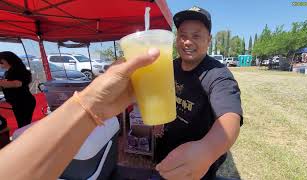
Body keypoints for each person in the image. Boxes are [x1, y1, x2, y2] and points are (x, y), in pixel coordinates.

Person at [0, 48, 160, 179]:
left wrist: (91, 105)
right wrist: (91, 104)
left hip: (23, 102)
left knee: (23, 125)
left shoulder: (16, 71)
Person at [155, 7, 243, 180]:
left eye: (196, 36)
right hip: (166, 151)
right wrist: (159, 119)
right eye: (182, 35)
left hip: (196, 165)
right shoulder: (170, 66)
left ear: (208, 40)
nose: (187, 42)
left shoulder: (218, 74)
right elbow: (164, 94)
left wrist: (207, 150)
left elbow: (230, 118)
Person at [0, 51, 36, 128]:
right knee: (23, 125)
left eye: (1, 61)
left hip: (24, 102)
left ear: (9, 60)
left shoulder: (20, 70)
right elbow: (6, 84)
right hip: (18, 102)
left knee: (23, 126)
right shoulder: (8, 72)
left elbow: (16, 84)